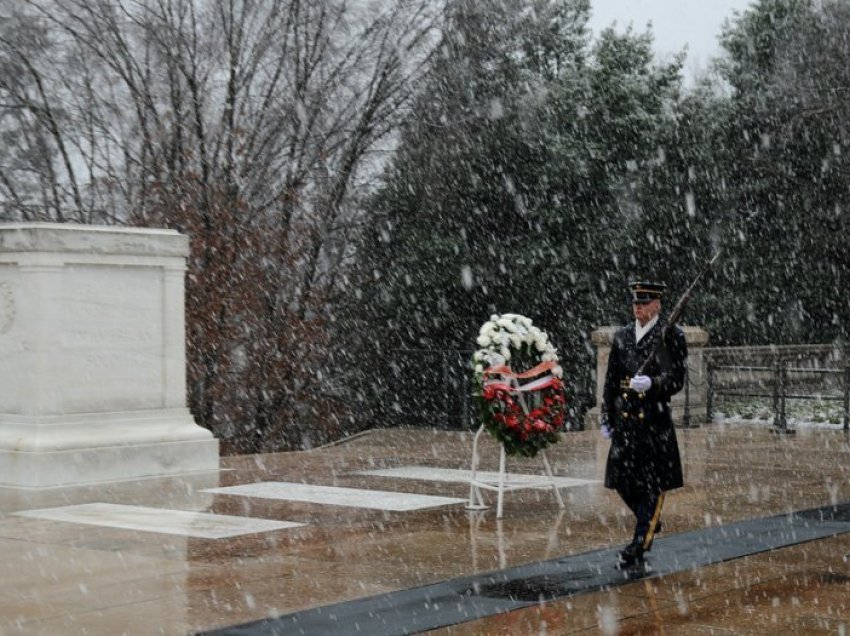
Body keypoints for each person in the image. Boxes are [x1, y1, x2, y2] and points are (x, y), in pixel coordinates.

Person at [601, 280, 687, 570]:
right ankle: (647, 518)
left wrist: (653, 383)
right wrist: (607, 416)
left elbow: (675, 379)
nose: (638, 307)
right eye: (635, 302)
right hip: (626, 422)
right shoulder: (623, 336)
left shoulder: (668, 336)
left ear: (658, 305)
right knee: (620, 480)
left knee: (651, 485)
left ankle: (638, 545)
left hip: (653, 423)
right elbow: (611, 380)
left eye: (644, 302)